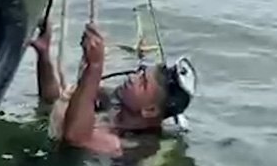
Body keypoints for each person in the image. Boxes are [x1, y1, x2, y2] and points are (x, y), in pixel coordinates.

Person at [31, 21, 196, 157]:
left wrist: (95, 67)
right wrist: (44, 55)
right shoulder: (115, 103)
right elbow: (55, 102)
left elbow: (75, 137)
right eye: (139, 74)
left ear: (150, 110)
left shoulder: (124, 145)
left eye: (142, 83)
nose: (132, 78)